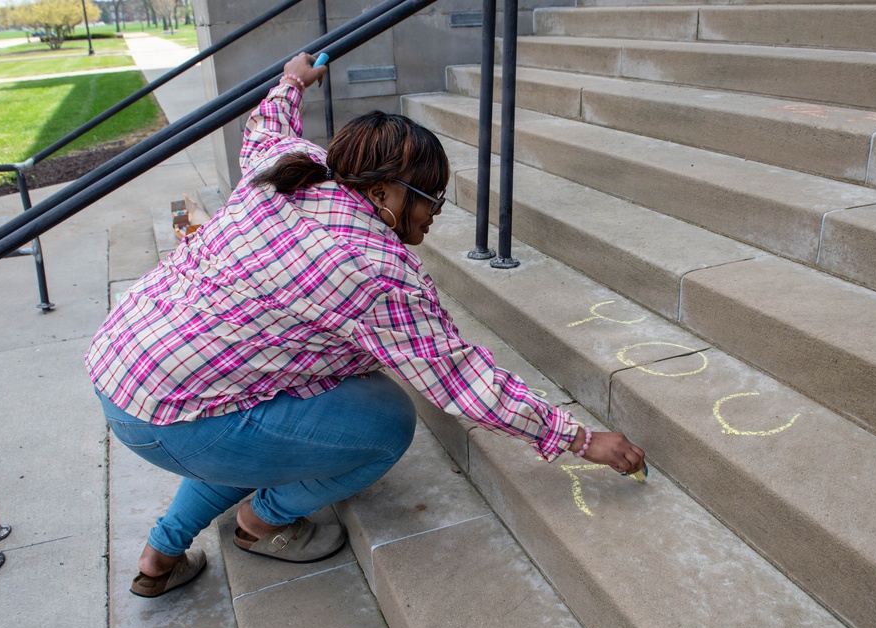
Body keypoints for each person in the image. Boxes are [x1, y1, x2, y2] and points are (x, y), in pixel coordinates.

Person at [86, 52, 646, 598]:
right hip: (176, 418)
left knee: (247, 410)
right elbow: (461, 379)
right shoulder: (373, 269)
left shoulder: (288, 167)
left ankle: (160, 554)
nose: (436, 214)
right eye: (430, 199)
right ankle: (261, 523)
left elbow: (266, 122)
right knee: (386, 424)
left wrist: (292, 80)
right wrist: (577, 437)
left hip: (122, 372)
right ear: (381, 193)